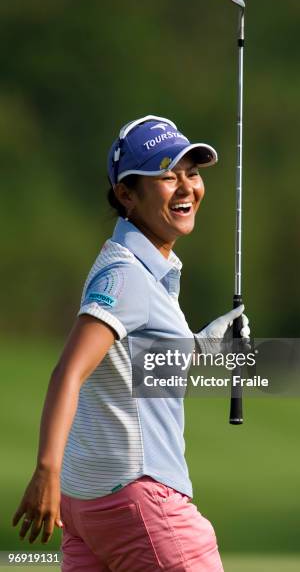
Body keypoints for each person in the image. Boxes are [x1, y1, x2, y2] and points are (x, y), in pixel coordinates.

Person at [12, 115, 250, 571]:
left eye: (192, 173)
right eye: (166, 176)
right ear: (126, 194)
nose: (186, 188)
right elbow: (70, 371)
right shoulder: (126, 275)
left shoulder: (143, 272)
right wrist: (46, 470)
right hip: (140, 501)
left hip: (89, 509)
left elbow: (124, 370)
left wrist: (202, 348)